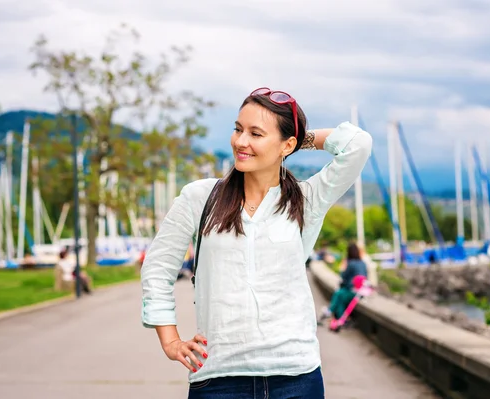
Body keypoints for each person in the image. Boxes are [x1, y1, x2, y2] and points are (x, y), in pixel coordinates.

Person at [141, 87, 372, 398]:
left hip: (296, 377)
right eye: (238, 129)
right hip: (218, 379)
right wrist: (170, 340)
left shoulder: (306, 200)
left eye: (256, 133)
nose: (241, 142)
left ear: (286, 144)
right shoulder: (200, 197)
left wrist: (299, 138)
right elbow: (157, 267)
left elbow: (358, 144)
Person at [318, 242, 368, 323]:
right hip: (362, 291)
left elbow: (344, 277)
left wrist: (343, 266)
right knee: (340, 297)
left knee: (339, 294)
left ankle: (331, 312)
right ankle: (339, 318)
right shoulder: (363, 263)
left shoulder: (351, 263)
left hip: (353, 291)